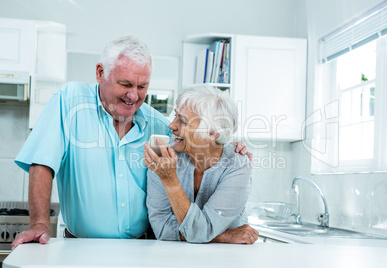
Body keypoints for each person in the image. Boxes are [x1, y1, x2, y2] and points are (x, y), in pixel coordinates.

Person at [12, 35, 251, 249]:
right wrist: (40, 223)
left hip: (144, 248)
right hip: (81, 247)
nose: (133, 95)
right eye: (125, 84)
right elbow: (42, 163)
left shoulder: (158, 125)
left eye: (142, 86)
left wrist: (227, 146)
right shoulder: (68, 100)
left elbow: (195, 141)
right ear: (100, 73)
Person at [144, 86, 259, 244]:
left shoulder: (237, 164)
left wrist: (170, 180)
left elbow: (199, 231)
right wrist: (223, 236)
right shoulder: (163, 154)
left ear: (211, 133)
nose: (171, 125)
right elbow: (162, 229)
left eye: (182, 120)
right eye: (175, 116)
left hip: (227, 258)